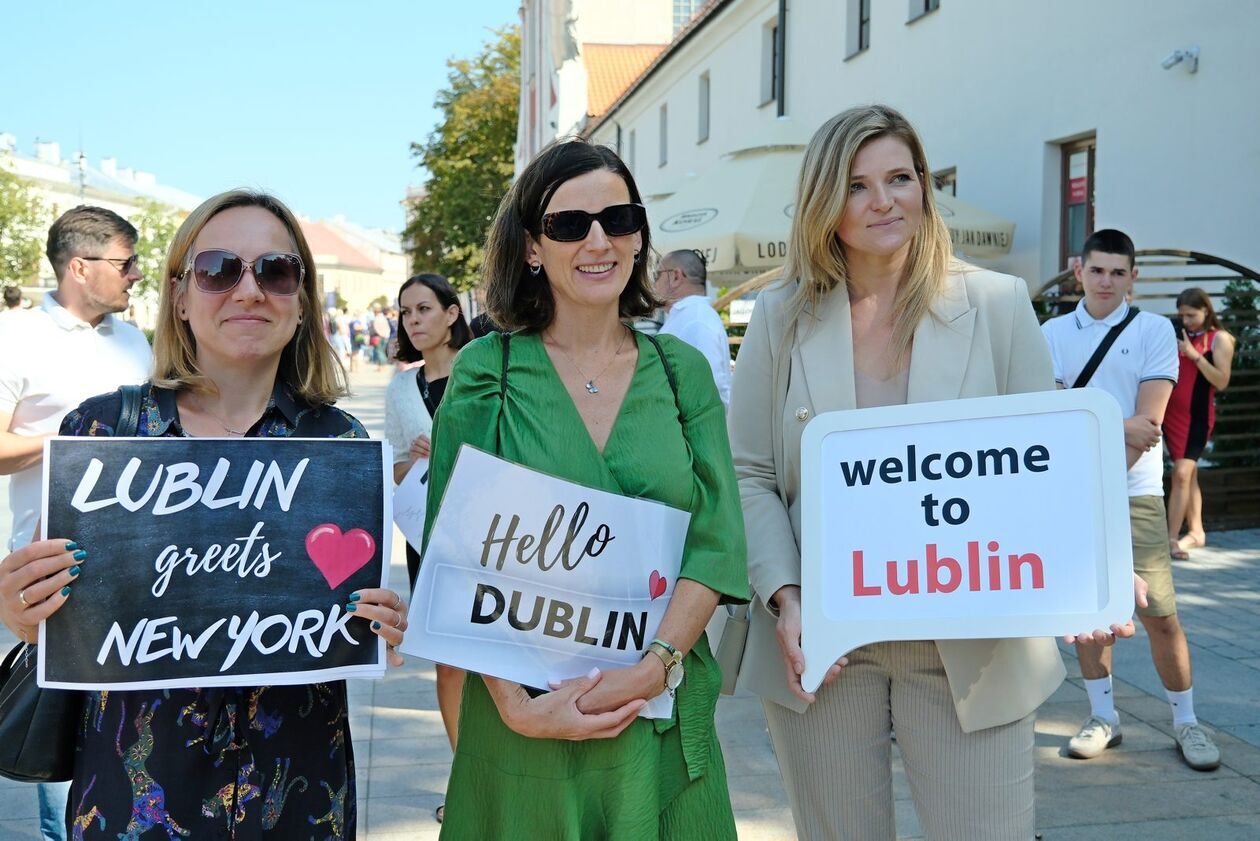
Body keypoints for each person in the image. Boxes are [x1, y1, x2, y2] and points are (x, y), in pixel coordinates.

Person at [728, 105, 1123, 839]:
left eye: (900, 177)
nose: (883, 200)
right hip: (823, 643)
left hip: (971, 642)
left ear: (924, 187)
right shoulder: (781, 315)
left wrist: (1093, 568)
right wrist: (785, 595)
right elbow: (748, 470)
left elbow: (1048, 464)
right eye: (857, 185)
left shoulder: (997, 303)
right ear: (824, 201)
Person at [0, 190, 408, 838]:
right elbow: (58, 611)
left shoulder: (341, 444)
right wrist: (22, 608)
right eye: (219, 268)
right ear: (181, 297)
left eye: (276, 270)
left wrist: (385, 620)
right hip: (134, 796)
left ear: (301, 301)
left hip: (294, 793)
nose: (249, 290)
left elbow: (353, 609)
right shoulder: (103, 431)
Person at [422, 138, 748, 837]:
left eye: (618, 219)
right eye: (570, 224)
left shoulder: (681, 371)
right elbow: (452, 555)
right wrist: (514, 704)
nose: (598, 239)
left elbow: (717, 541)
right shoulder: (487, 371)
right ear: (534, 248)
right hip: (523, 722)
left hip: (654, 717)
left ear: (638, 239)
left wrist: (655, 667)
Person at [1042, 229, 1221, 771]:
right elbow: (1048, 423)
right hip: (1072, 492)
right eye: (1097, 270)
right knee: (1092, 611)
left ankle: (1186, 721)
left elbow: (1148, 427)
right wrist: (1110, 425)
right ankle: (1104, 717)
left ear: (1132, 277)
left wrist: (1090, 425)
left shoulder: (1152, 331)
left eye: (1118, 273)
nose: (1106, 281)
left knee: (1160, 613)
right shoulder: (1049, 332)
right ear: (1080, 271)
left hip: (1135, 491)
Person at [0, 205, 152, 841]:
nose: (136, 275)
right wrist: (68, 438)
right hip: (54, 569)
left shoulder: (135, 339)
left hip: (141, 560)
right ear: (79, 266)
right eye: (124, 263)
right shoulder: (16, 337)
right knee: (61, 729)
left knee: (125, 727)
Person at [1163, 287, 1235, 559]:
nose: (1186, 320)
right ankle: (1196, 531)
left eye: (1191, 315)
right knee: (1188, 475)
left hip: (1197, 417)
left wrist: (1193, 355)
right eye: (1181, 315)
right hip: (1170, 417)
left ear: (1206, 310)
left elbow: (1222, 381)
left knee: (1181, 474)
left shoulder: (1220, 339)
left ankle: (1171, 539)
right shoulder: (1177, 334)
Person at [654, 249, 732, 409]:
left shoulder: (697, 320)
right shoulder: (690, 316)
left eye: (657, 275)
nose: (653, 283)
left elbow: (711, 388)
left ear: (675, 276)